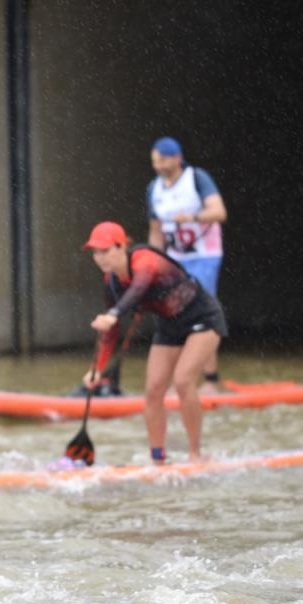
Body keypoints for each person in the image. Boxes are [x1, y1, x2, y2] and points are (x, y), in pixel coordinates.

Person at [81, 221, 227, 463]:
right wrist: (97, 369)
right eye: (95, 252)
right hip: (169, 325)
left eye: (105, 251)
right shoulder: (111, 281)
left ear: (121, 247)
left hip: (203, 318)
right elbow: (110, 331)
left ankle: (196, 454)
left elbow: (139, 288)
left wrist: (114, 314)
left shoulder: (145, 260)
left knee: (182, 382)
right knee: (153, 391)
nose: (100, 258)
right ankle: (158, 458)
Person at [146, 136, 228, 391]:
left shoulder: (196, 178)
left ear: (178, 158)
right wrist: (150, 265)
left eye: (164, 159)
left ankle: (210, 380)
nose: (159, 165)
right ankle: (179, 379)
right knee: (174, 312)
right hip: (176, 259)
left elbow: (219, 212)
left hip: (204, 255)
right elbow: (156, 232)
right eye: (156, 160)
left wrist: (191, 217)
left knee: (201, 314)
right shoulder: (154, 189)